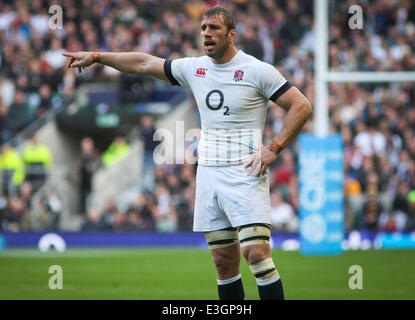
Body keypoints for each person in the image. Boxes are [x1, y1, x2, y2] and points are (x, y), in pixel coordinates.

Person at [62, 6, 312, 300]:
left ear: (232, 35)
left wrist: (273, 149)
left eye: (214, 28)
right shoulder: (195, 68)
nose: (206, 33)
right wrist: (97, 56)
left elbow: (302, 106)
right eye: (204, 28)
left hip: (245, 172)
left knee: (256, 253)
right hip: (208, 172)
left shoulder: (257, 70)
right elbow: (144, 63)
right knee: (223, 263)